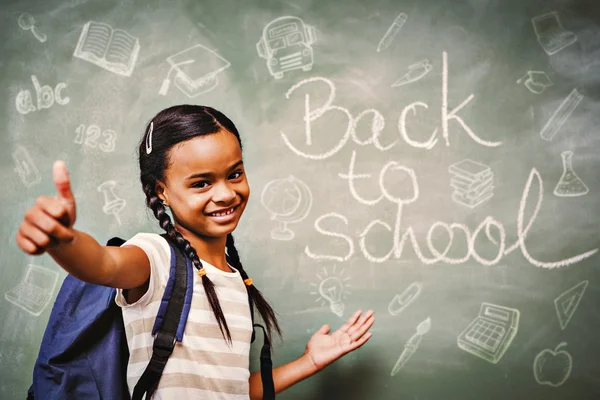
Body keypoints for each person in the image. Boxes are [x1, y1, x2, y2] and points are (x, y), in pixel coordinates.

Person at [15, 104, 375, 399]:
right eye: (201, 183)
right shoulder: (155, 257)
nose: (225, 194)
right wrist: (62, 240)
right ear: (161, 193)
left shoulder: (235, 279)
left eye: (234, 174)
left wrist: (309, 362)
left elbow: (230, 391)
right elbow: (103, 264)